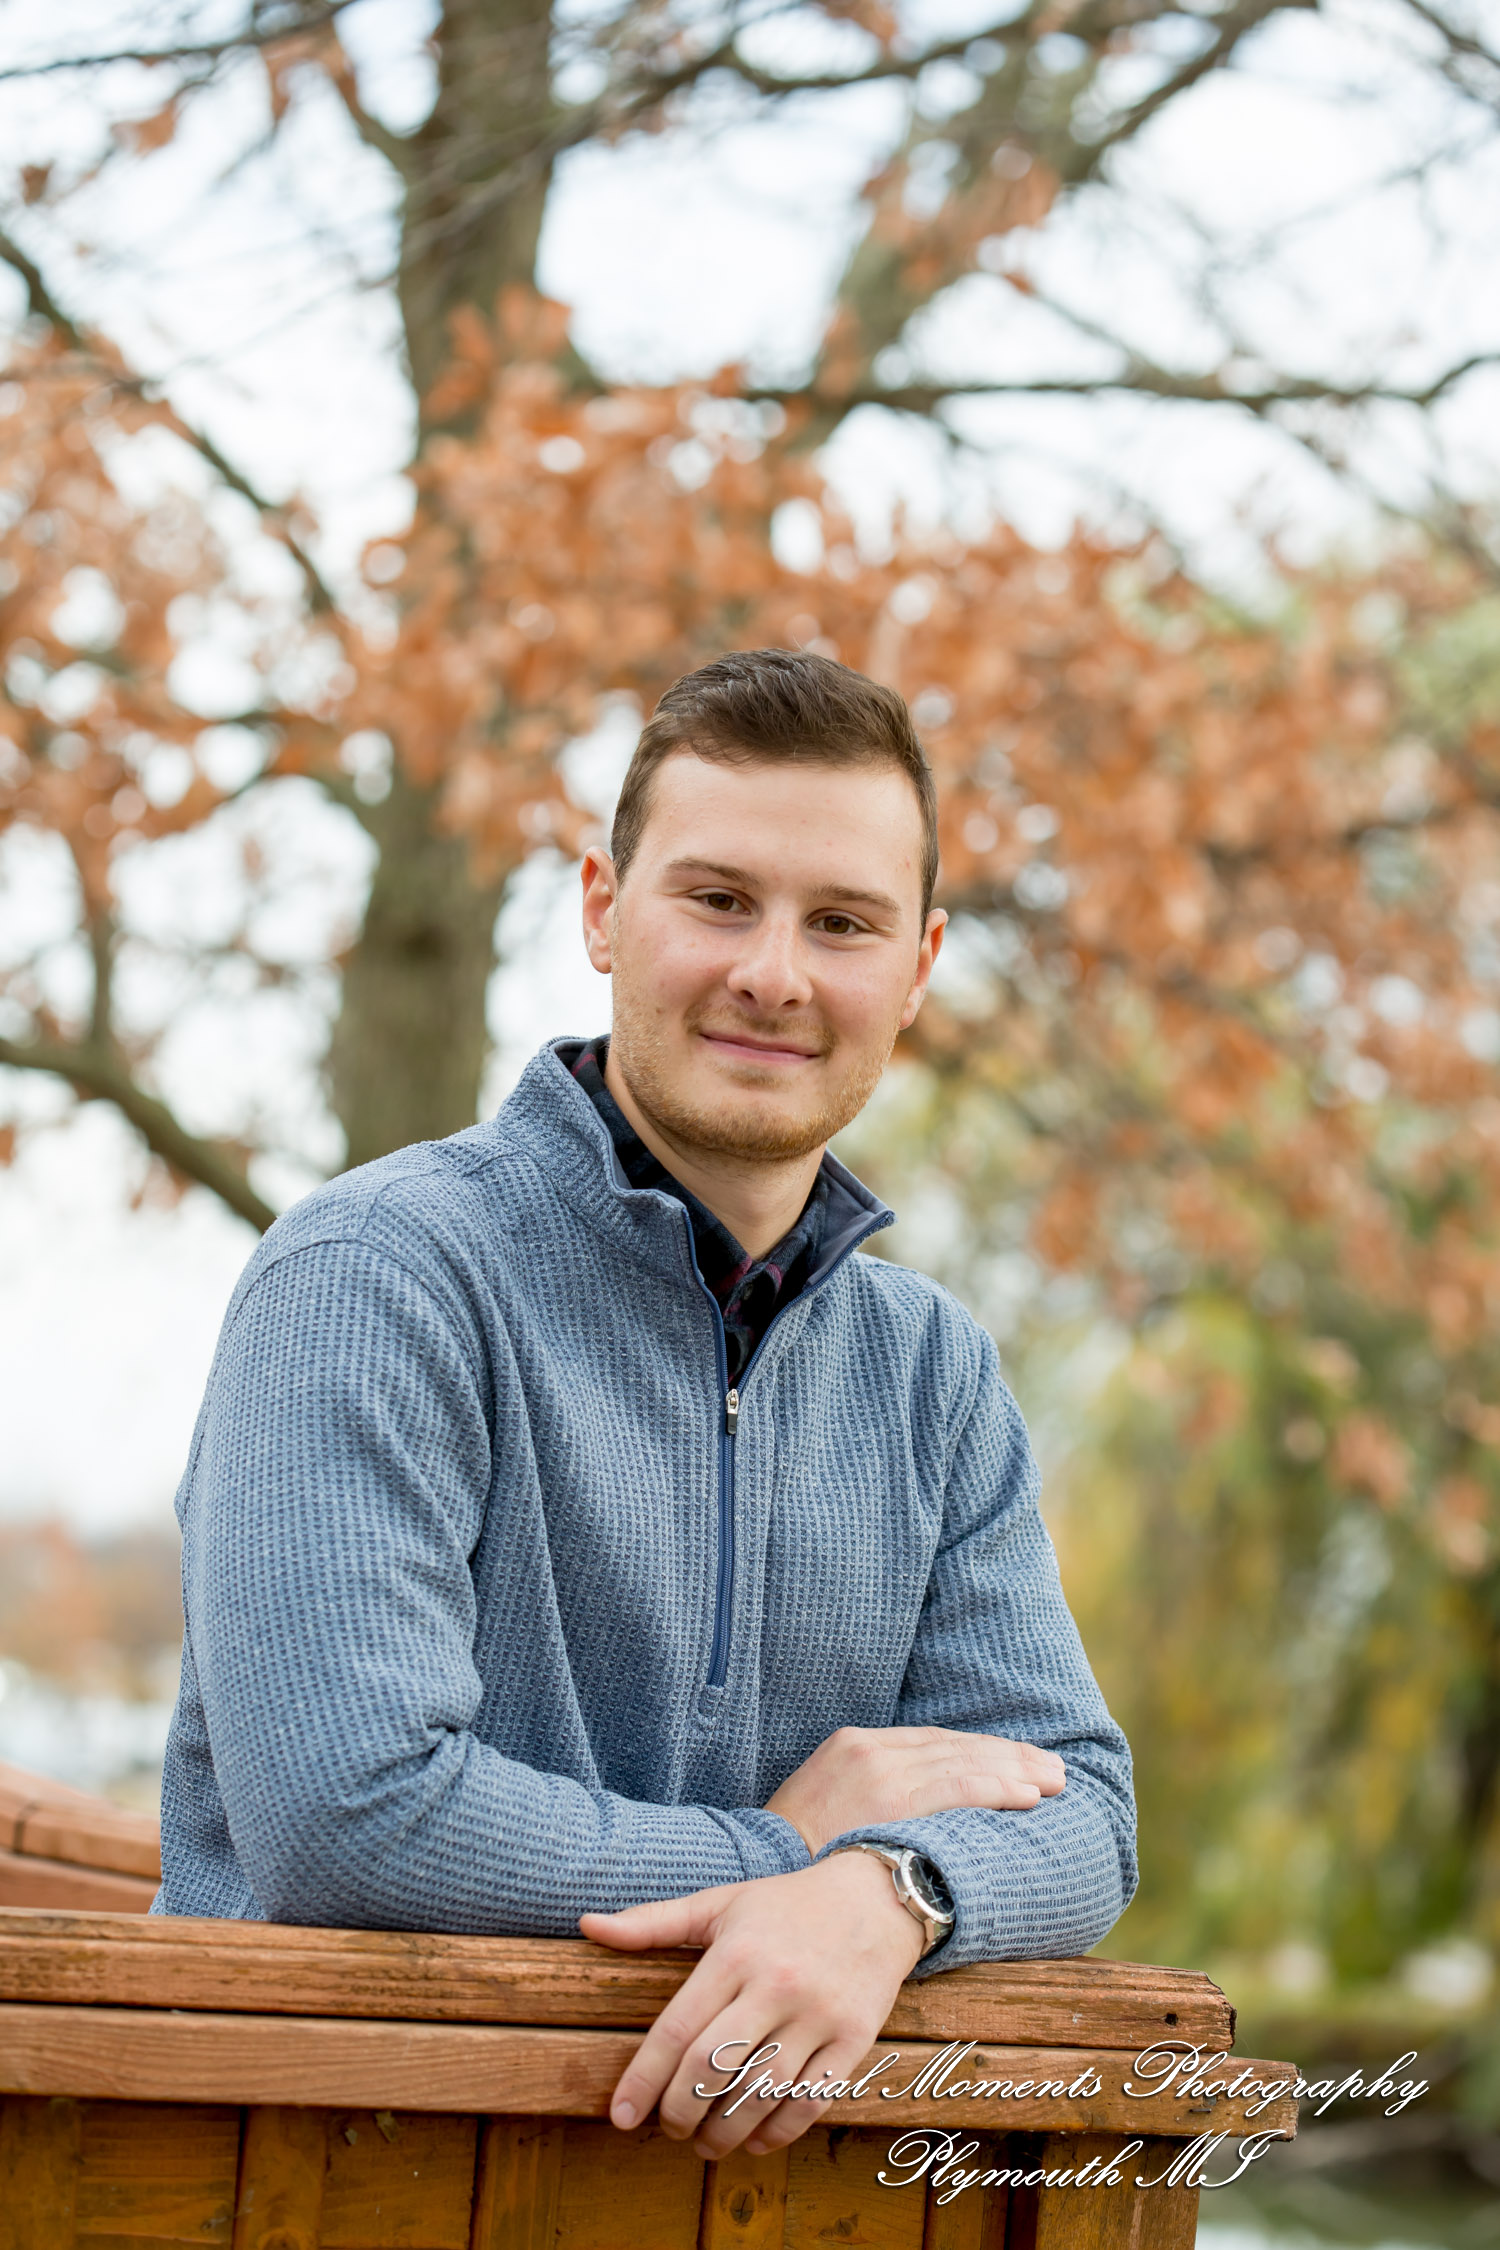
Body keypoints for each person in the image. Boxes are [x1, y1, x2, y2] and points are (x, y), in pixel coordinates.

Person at [155, 648, 1136, 2164]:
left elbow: (1082, 1809)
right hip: (323, 2175)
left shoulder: (933, 1373)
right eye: (719, 899)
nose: (774, 974)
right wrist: (790, 1846)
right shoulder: (376, 1278)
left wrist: (891, 1893)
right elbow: (345, 1814)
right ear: (605, 909)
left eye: (842, 922)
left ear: (922, 964)